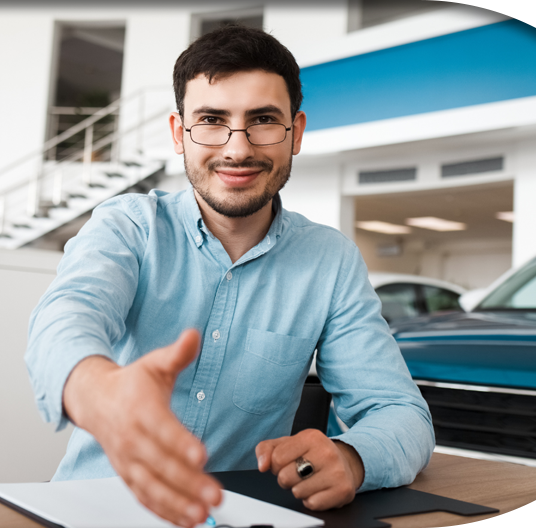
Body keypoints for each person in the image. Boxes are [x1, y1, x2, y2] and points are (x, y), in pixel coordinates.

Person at [26, 25, 434, 528]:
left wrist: (353, 458)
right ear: (180, 133)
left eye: (262, 120)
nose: (237, 149)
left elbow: (402, 414)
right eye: (212, 120)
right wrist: (97, 389)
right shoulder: (128, 226)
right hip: (92, 512)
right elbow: (64, 319)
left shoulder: (330, 260)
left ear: (296, 132)